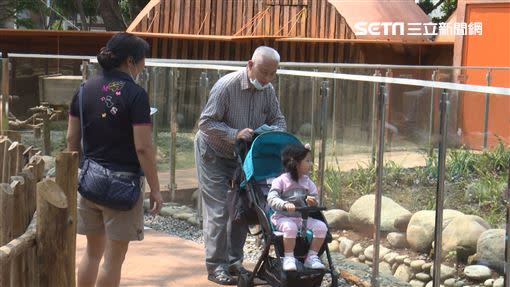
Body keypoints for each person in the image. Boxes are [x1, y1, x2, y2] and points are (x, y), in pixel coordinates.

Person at [66, 32, 163, 287]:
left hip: (90, 184)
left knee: (92, 252)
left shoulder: (84, 89)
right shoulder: (136, 94)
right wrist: (155, 188)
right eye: (143, 60)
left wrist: (82, 172)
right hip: (123, 188)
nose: (144, 66)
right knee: (113, 260)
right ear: (130, 61)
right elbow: (143, 147)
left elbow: (70, 139)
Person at [195, 46, 286, 285]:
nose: (266, 79)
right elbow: (205, 123)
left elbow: (278, 120)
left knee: (241, 209)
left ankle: (234, 263)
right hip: (213, 153)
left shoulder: (268, 90)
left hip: (243, 157)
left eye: (271, 74)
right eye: (263, 72)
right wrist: (234, 133)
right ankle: (216, 267)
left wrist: (271, 132)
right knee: (218, 210)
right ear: (250, 64)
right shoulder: (227, 86)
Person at [267, 144, 328, 271]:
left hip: (302, 218)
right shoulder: (281, 180)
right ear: (295, 163)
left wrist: (312, 201)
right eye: (307, 160)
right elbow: (271, 198)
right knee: (290, 227)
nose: (310, 164)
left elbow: (313, 197)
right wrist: (284, 204)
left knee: (321, 227)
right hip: (282, 218)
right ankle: (289, 257)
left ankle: (311, 257)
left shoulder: (307, 182)